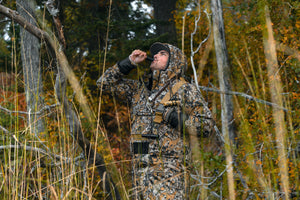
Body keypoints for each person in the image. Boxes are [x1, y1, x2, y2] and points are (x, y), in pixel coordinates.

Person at [97, 42, 215, 199]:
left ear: (174, 62)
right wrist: (129, 62)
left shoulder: (184, 89)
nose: (156, 55)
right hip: (139, 171)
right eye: (156, 53)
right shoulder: (139, 90)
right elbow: (103, 84)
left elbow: (206, 125)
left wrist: (173, 117)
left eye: (162, 54)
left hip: (169, 172)